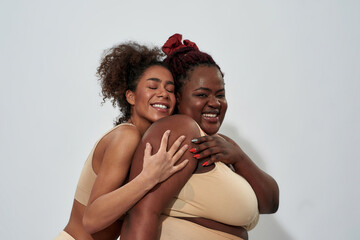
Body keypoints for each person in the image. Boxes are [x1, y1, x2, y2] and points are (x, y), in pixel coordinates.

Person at [120, 34, 279, 240]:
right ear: (177, 97)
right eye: (202, 95)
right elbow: (141, 214)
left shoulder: (221, 143)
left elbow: (270, 203)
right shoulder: (179, 129)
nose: (215, 103)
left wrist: (239, 157)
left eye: (220, 95)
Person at [54, 42, 190, 240]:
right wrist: (149, 178)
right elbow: (92, 220)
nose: (163, 93)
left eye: (170, 90)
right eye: (153, 86)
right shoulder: (127, 136)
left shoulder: (145, 143)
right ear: (131, 97)